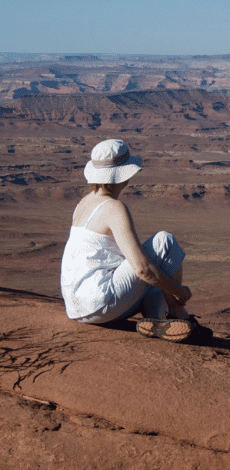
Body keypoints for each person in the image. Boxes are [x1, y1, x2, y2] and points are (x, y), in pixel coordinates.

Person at [60, 138, 202, 342]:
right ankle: (178, 315)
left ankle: (157, 320)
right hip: (102, 304)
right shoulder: (114, 208)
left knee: (155, 277)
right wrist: (178, 291)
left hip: (76, 307)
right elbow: (142, 269)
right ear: (125, 174)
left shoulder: (83, 203)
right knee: (165, 242)